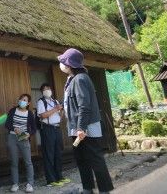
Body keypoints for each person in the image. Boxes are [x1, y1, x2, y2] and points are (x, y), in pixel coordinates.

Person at [58, 48, 114, 194]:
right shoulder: (72, 79)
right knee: (82, 159)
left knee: (95, 159)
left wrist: (81, 128)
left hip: (85, 126)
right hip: (77, 125)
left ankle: (104, 190)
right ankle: (87, 188)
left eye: (63, 62)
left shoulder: (80, 79)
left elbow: (84, 105)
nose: (61, 64)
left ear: (69, 64)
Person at [36, 83, 70, 187]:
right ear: (42, 92)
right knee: (49, 154)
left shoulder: (55, 101)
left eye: (49, 88)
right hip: (47, 129)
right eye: (45, 89)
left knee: (58, 153)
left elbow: (60, 117)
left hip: (57, 128)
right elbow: (42, 115)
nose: (47, 90)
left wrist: (61, 110)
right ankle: (50, 180)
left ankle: (59, 177)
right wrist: (55, 109)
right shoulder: (41, 102)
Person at [4, 93, 36, 193]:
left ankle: (30, 184)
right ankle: (15, 184)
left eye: (25, 100)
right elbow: (7, 124)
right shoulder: (13, 110)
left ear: (28, 103)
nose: (22, 101)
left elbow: (34, 128)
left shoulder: (29, 113)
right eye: (21, 99)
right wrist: (15, 129)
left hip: (24, 138)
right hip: (12, 137)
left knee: (28, 162)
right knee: (14, 162)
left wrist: (28, 134)